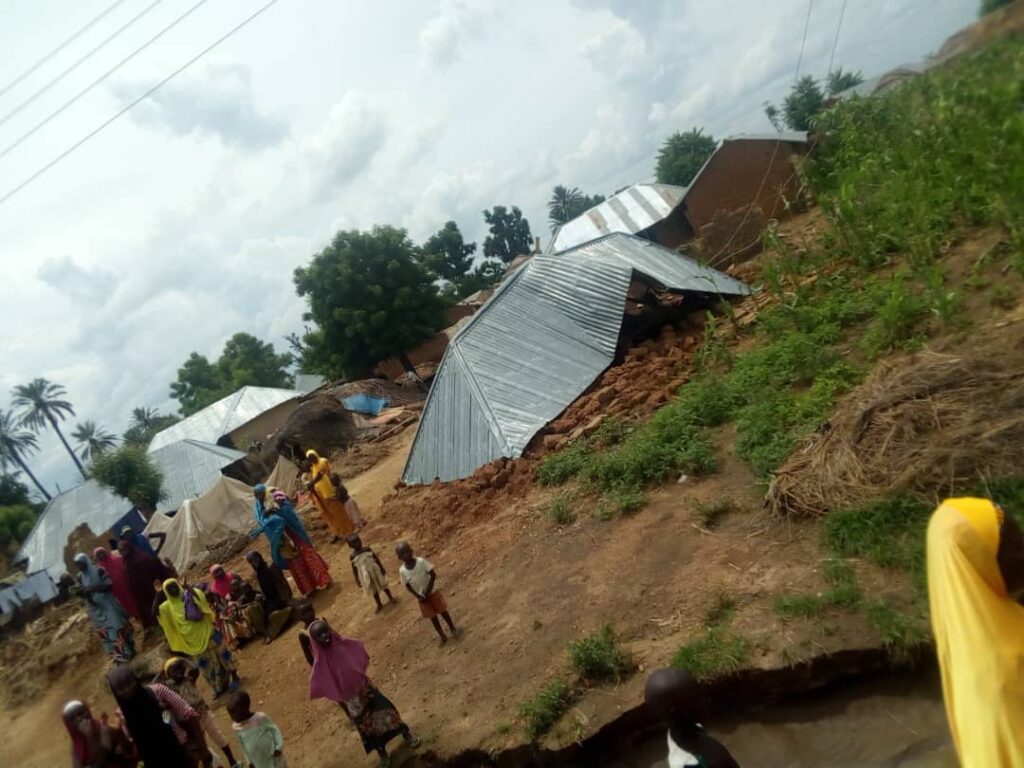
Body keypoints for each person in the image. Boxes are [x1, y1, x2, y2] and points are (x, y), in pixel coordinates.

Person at [927, 497, 1024, 766]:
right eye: (1016, 546)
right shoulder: (1001, 669)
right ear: (979, 562)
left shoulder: (967, 639)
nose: (1023, 553)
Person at [307, 619, 420, 767]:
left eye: (326, 631)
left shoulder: (344, 645)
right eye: (320, 636)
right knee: (367, 728)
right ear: (314, 641)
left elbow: (359, 651)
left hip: (366, 690)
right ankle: (382, 754)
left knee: (387, 711)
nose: (325, 636)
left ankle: (406, 734)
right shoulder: (320, 664)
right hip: (352, 701)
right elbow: (323, 684)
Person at [157, 578, 240, 697]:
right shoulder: (167, 607)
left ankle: (235, 677)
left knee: (224, 656)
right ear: (166, 593)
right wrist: (158, 592)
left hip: (208, 633)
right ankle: (219, 687)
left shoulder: (188, 593)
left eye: (174, 586)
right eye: (169, 589)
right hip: (192, 642)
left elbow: (200, 598)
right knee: (206, 666)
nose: (174, 589)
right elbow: (154, 611)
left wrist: (188, 588)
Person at [107, 665, 202, 768]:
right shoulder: (121, 716)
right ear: (115, 692)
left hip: (182, 754)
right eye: (121, 688)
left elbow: (189, 714)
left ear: (136, 679)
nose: (127, 690)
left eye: (129, 683)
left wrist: (203, 750)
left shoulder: (158, 692)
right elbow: (131, 753)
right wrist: (119, 732)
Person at [644, 668, 740, 768]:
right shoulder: (690, 763)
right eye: (697, 698)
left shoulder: (686, 731)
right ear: (680, 712)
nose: (705, 699)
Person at [251, 484, 331, 597]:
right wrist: (270, 521)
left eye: (259, 494)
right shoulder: (259, 507)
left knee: (308, 555)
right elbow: (263, 521)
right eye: (255, 495)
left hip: (294, 532)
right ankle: (310, 588)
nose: (258, 497)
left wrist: (274, 513)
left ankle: (325, 579)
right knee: (295, 563)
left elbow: (286, 510)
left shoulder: (276, 495)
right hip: (283, 539)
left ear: (264, 492)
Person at [162, 657, 239, 768]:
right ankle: (217, 764)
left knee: (219, 737)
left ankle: (232, 761)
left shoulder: (189, 679)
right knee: (203, 747)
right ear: (168, 675)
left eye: (180, 668)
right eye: (174, 670)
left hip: (204, 714)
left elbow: (194, 668)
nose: (179, 672)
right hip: (192, 723)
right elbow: (157, 687)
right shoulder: (170, 688)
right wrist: (162, 673)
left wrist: (183, 660)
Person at [71, 552, 136, 662]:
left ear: (86, 562)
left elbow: (109, 585)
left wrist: (93, 589)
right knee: (106, 633)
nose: (79, 567)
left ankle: (129, 652)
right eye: (77, 565)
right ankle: (120, 658)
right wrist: (81, 592)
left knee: (117, 627)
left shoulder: (99, 570)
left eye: (80, 564)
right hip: (95, 609)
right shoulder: (80, 577)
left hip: (108, 605)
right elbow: (80, 590)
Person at [396, 541, 459, 645]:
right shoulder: (402, 571)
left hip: (432, 592)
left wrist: (429, 590)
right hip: (422, 598)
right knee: (432, 617)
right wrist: (418, 596)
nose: (406, 555)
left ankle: (452, 628)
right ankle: (442, 635)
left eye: (407, 552)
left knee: (443, 611)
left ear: (411, 551)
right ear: (399, 558)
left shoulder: (421, 562)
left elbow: (432, 574)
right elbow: (407, 585)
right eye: (403, 554)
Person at [62, 699, 135, 767]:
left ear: (88, 713)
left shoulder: (103, 729)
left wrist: (89, 736)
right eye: (72, 719)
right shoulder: (76, 743)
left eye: (81, 713)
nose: (79, 719)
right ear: (69, 725)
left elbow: (102, 761)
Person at [117, 538, 169, 630]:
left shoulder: (140, 558)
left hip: (149, 589)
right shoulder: (126, 561)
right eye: (120, 550)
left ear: (129, 548)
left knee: (156, 608)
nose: (122, 552)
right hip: (139, 593)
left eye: (123, 549)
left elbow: (152, 572)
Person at [303, 449, 354, 542]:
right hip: (322, 494)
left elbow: (323, 475)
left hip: (329, 490)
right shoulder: (313, 468)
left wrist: (313, 482)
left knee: (338, 512)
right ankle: (338, 532)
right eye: (310, 458)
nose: (312, 459)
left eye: (313, 456)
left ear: (316, 454)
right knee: (331, 515)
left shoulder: (323, 462)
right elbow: (314, 481)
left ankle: (348, 530)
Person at [227, 690, 287, 768]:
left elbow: (274, 729)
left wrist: (278, 746)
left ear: (245, 708)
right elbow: (243, 746)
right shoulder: (236, 728)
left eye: (235, 713)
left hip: (273, 756)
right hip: (258, 761)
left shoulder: (260, 718)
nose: (232, 717)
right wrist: (249, 761)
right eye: (231, 714)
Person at [244, 551, 294, 642]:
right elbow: (266, 589)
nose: (254, 562)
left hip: (279, 598)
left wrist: (286, 598)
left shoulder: (269, 569)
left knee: (266, 614)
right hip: (271, 598)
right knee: (254, 609)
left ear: (260, 557)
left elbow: (280, 586)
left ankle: (269, 633)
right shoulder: (260, 572)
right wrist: (262, 596)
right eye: (251, 561)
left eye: (255, 559)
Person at [347, 535, 396, 613]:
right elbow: (354, 568)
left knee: (383, 584)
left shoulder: (367, 549)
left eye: (358, 540)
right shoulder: (352, 556)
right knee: (373, 589)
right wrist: (357, 579)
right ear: (350, 546)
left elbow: (376, 558)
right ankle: (379, 604)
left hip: (375, 571)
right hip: (366, 575)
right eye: (354, 543)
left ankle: (391, 597)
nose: (358, 543)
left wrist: (381, 567)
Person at [93, 546, 141, 622]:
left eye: (101, 552)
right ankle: (136, 616)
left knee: (134, 599)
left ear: (105, 552)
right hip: (116, 591)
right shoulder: (99, 569)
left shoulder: (117, 559)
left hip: (126, 585)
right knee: (125, 604)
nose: (100, 555)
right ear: (96, 557)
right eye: (98, 554)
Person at [294, 598, 320, 667]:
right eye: (304, 613)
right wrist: (314, 667)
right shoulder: (303, 634)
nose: (309, 614)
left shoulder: (321, 621)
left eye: (310, 610)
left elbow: (334, 636)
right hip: (320, 660)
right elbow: (307, 654)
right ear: (299, 617)